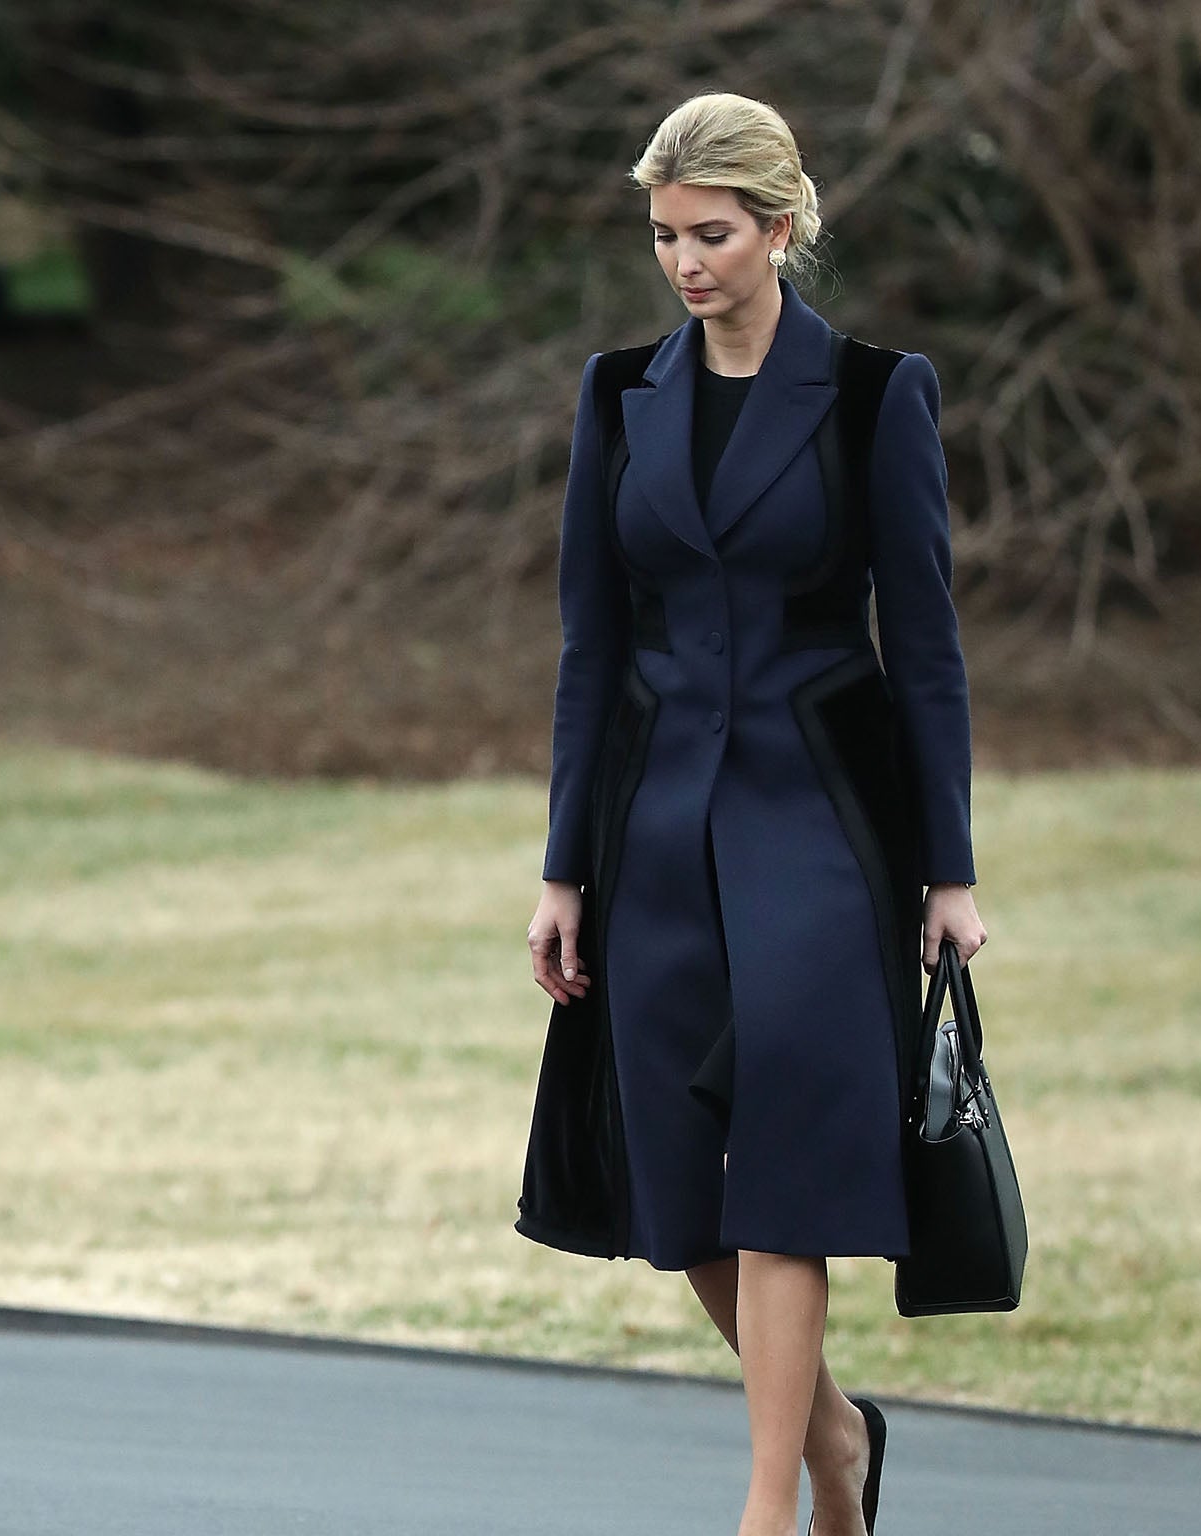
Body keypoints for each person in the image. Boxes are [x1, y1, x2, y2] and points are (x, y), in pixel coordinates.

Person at [516, 94, 987, 1536]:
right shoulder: (617, 396)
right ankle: (836, 1438)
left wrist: (951, 871)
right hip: (651, 827)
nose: (686, 263)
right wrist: (561, 871)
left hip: (820, 824)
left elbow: (927, 641)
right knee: (674, 1171)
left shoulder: (873, 395)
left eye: (712, 234)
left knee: (785, 1155)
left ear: (782, 226)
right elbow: (592, 645)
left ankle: (770, 1500)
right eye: (664, 237)